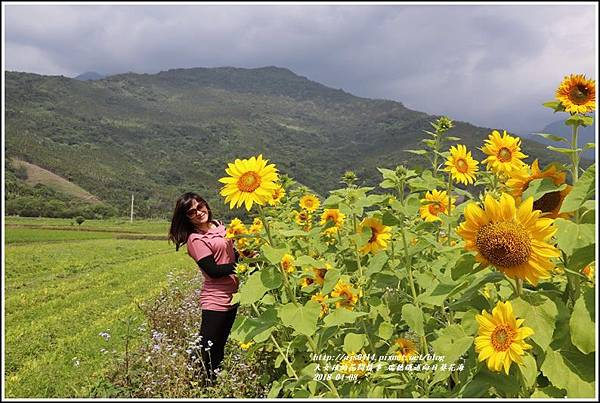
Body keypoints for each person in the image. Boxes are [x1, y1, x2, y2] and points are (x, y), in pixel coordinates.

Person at [168, 192, 240, 383]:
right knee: (208, 348)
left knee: (220, 345)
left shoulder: (219, 225)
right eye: (192, 212)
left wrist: (249, 254)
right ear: (187, 218)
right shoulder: (195, 239)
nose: (198, 212)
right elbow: (213, 270)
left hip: (234, 296)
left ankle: (212, 382)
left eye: (200, 207)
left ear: (205, 205)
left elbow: (233, 253)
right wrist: (243, 266)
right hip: (215, 299)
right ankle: (200, 385)